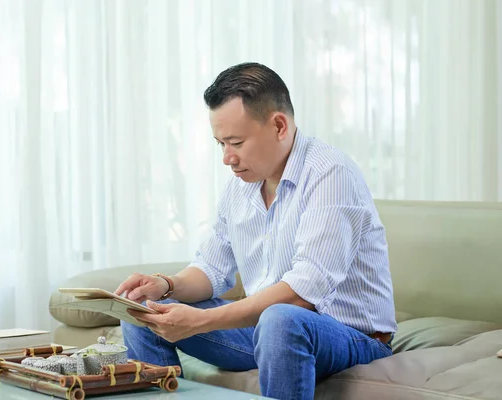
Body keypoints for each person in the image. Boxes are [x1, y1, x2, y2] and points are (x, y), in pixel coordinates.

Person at [114, 62, 397, 400]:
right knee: (141, 310)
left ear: (279, 125)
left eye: (236, 142)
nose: (227, 159)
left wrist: (202, 321)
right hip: (266, 330)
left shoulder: (331, 174)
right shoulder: (242, 186)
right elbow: (212, 269)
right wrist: (166, 285)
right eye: (221, 144)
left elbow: (303, 294)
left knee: (281, 320)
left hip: (350, 337)